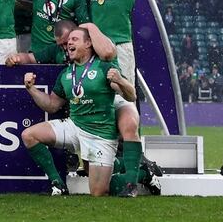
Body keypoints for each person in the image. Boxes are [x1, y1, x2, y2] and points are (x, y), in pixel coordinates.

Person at [73, 0, 153, 194]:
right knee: (97, 103)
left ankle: (132, 172)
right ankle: (97, 162)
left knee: (125, 104)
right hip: (92, 50)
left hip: (119, 47)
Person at [20, 26, 136, 196]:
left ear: (88, 43)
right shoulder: (66, 73)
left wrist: (121, 80)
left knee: (98, 192)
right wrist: (31, 89)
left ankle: (142, 172)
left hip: (100, 134)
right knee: (29, 135)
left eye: (74, 39)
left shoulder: (103, 67)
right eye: (68, 41)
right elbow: (52, 105)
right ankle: (57, 183)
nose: (69, 43)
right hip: (74, 127)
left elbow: (131, 96)